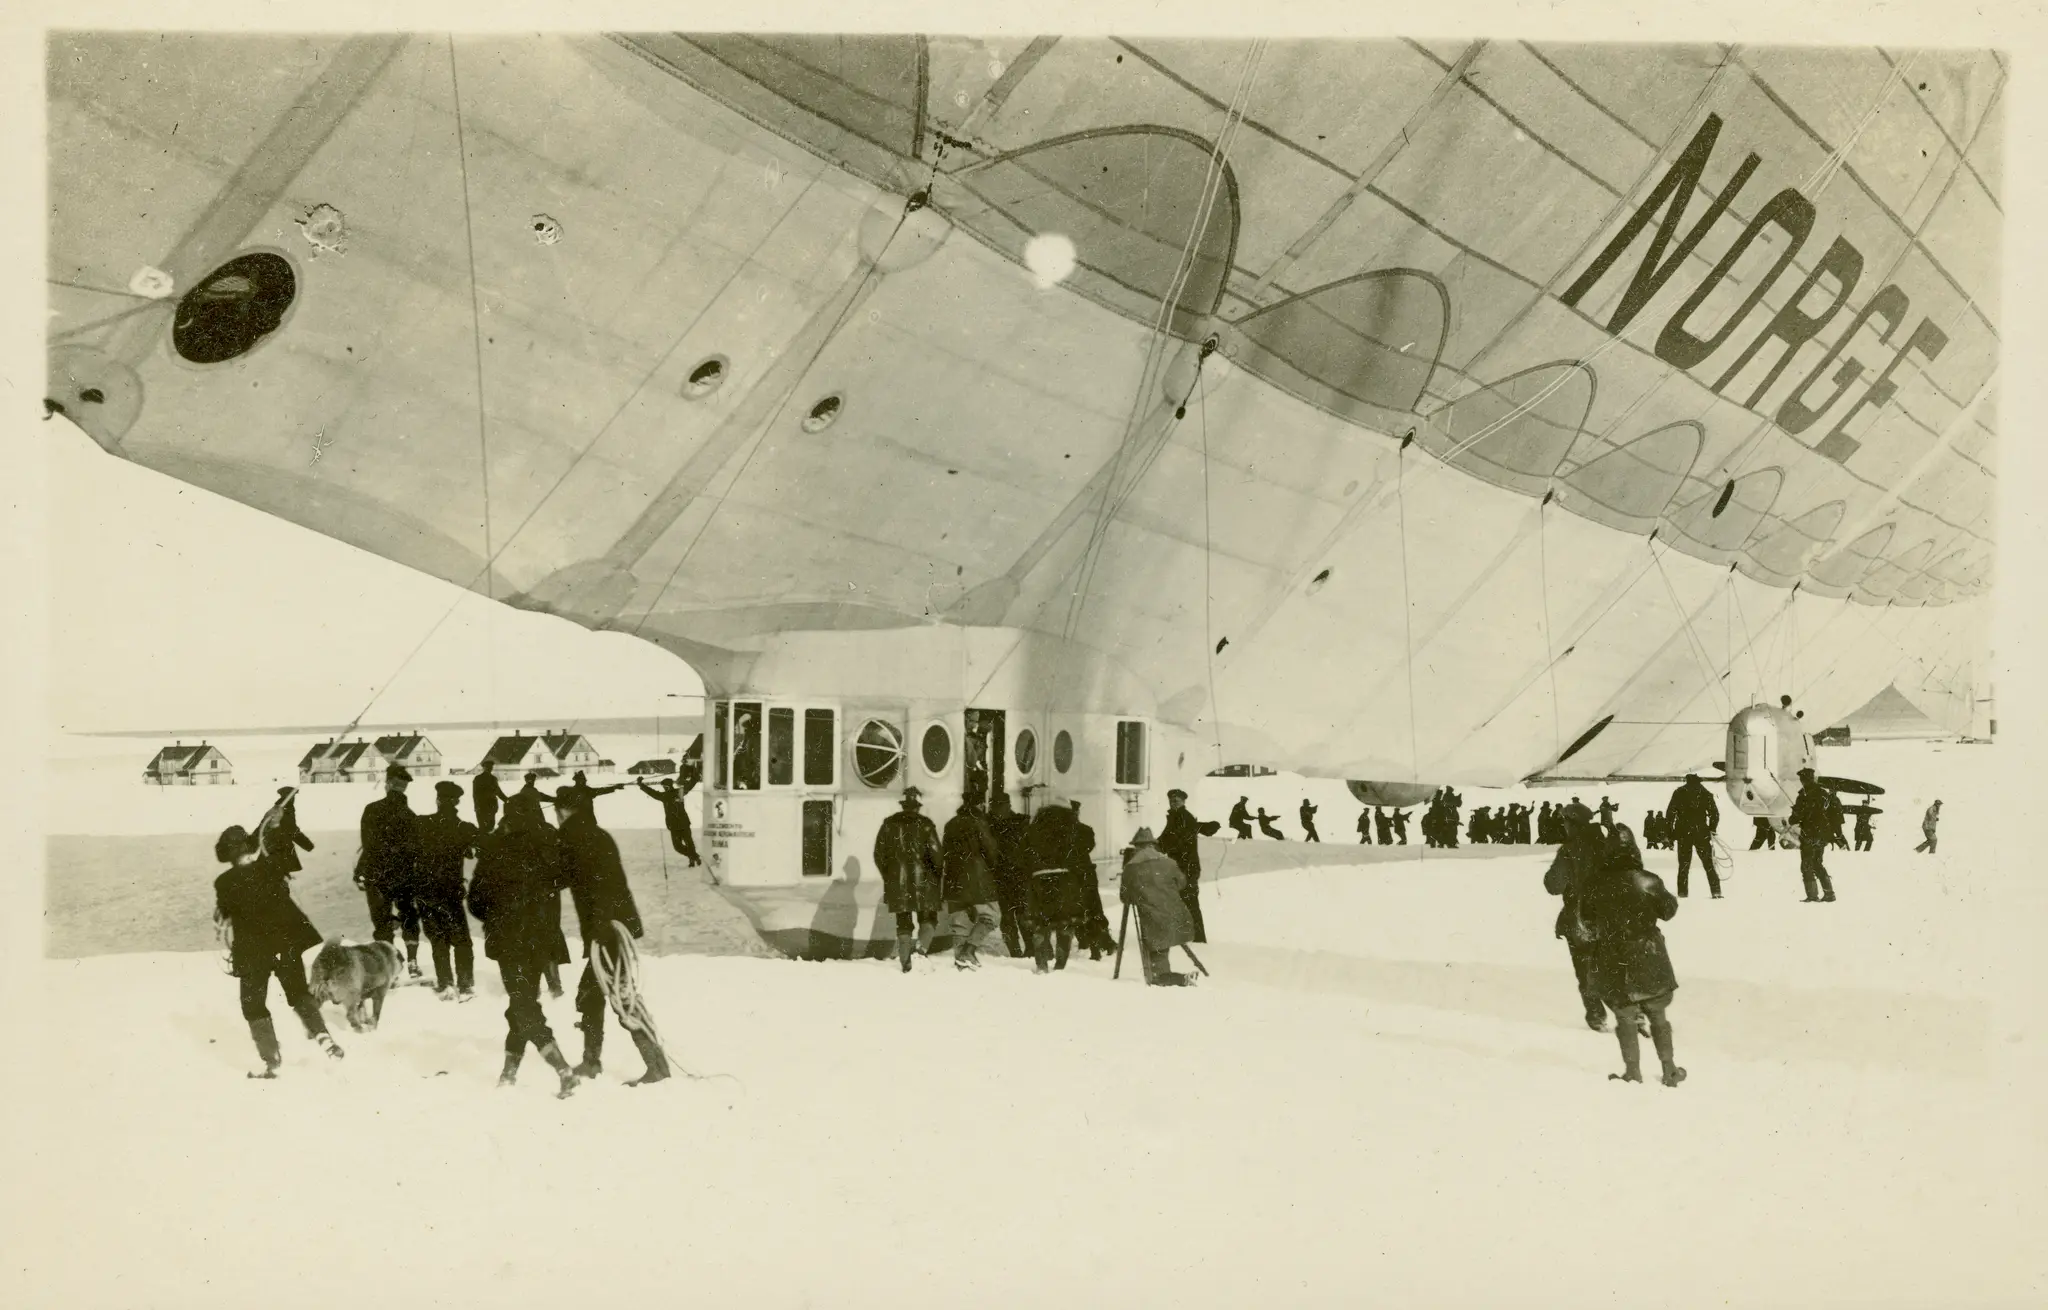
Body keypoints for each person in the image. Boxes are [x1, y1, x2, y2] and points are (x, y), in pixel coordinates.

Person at [214, 816, 344, 1077]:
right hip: (285, 946)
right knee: (298, 995)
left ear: (228, 855)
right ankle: (322, 1035)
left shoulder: (224, 882)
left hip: (252, 953)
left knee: (253, 1006)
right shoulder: (270, 867)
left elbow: (225, 914)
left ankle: (271, 1059)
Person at [467, 796, 579, 1097]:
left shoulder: (494, 849)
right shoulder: (550, 846)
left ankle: (563, 1070)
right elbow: (569, 876)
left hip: (509, 941)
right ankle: (508, 1073)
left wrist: (496, 912)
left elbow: (475, 901)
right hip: (542, 940)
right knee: (522, 1003)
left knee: (523, 1006)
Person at [559, 805, 668, 1085]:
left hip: (607, 931)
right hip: (614, 926)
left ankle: (656, 1067)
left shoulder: (575, 838)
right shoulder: (598, 834)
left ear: (562, 812)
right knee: (592, 996)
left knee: (620, 998)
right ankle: (593, 1061)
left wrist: (601, 929)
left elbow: (584, 882)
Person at [1580, 825, 1684, 1086]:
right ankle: (1669, 1069)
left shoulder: (1594, 883)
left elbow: (1586, 920)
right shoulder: (1649, 880)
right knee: (1658, 1015)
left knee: (1624, 1016)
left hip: (1612, 956)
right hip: (1649, 955)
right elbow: (1669, 910)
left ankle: (1633, 1072)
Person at [1543, 802, 1612, 1032]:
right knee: (1613, 966)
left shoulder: (1569, 849)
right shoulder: (1606, 845)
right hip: (1610, 917)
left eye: (1565, 821)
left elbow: (1553, 885)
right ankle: (1634, 1012)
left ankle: (1596, 1015)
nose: (1563, 825)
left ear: (1572, 823)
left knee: (1586, 969)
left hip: (1579, 918)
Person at [356, 764, 423, 978]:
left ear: (387, 784)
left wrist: (360, 869)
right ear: (403, 788)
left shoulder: (372, 810)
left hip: (378, 875)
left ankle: (391, 964)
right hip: (405, 876)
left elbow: (368, 845)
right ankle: (412, 961)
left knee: (382, 921)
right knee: (409, 916)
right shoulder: (412, 816)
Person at [414, 781, 479, 1000]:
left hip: (425, 891)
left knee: (438, 940)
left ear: (438, 800)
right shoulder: (464, 828)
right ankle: (466, 986)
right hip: (451, 892)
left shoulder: (422, 823)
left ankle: (445, 984)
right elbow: (481, 847)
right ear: (457, 802)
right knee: (461, 940)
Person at [873, 786, 943, 972]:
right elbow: (936, 855)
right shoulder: (927, 824)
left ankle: (905, 963)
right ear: (918, 806)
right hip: (925, 882)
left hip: (898, 883)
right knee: (928, 918)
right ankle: (920, 950)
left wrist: (890, 876)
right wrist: (937, 876)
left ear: (903, 805)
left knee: (903, 923)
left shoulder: (888, 824)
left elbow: (879, 855)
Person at [1119, 828, 1197, 987]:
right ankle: (1170, 975)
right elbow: (1182, 883)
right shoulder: (1169, 862)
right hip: (1177, 915)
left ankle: (1172, 978)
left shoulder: (1131, 867)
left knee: (1157, 951)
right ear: (1153, 845)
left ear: (1136, 847)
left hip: (1152, 918)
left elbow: (1125, 897)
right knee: (1164, 941)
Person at [941, 795, 1004, 970]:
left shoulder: (950, 824)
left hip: (953, 879)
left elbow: (945, 850)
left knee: (959, 923)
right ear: (980, 804)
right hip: (977, 879)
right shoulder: (979, 822)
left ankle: (961, 962)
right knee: (992, 916)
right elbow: (990, 850)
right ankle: (968, 951)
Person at [1017, 802, 1082, 973]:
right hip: (1064, 882)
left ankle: (1041, 965)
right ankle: (1060, 965)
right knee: (1065, 925)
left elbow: (1023, 858)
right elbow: (1077, 857)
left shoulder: (1032, 833)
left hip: (1038, 881)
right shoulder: (1069, 831)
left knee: (1040, 925)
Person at [1158, 788, 1221, 943]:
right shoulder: (1175, 817)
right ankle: (1189, 936)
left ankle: (1198, 939)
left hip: (1187, 868)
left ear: (1183, 802)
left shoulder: (1184, 818)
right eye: (1171, 801)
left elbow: (1175, 841)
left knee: (1190, 902)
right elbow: (1167, 838)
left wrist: (1157, 846)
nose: (1173, 803)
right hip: (1180, 867)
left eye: (1177, 801)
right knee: (1182, 902)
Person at [1069, 802, 1116, 959]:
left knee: (1092, 910)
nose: (1073, 815)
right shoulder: (1081, 830)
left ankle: (1105, 944)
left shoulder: (1083, 830)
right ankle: (1086, 942)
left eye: (1074, 812)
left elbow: (1087, 847)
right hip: (1078, 876)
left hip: (1083, 876)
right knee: (1081, 910)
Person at [988, 791, 1032, 958]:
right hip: (1001, 877)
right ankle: (1015, 951)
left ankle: (1030, 948)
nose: (996, 811)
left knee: (1021, 914)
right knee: (1007, 917)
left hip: (1019, 876)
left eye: (998, 807)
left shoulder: (1021, 822)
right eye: (994, 807)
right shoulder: (991, 824)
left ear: (1007, 806)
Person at [1666, 773, 1721, 899]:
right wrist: (1711, 829)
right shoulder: (1705, 793)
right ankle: (1716, 891)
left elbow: (1670, 814)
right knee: (1708, 864)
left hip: (1683, 832)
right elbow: (1715, 814)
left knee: (1684, 865)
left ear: (1687, 780)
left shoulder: (1679, 792)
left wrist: (1670, 834)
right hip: (1701, 832)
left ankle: (1682, 892)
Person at [1789, 768, 1836, 903]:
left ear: (1803, 780)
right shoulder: (1823, 793)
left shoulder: (1804, 795)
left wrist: (1794, 815)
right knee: (1817, 863)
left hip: (1809, 834)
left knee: (1807, 865)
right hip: (1822, 835)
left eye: (1802, 779)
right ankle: (1829, 893)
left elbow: (1796, 818)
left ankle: (1812, 895)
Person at [637, 774, 702, 867]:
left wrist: (695, 778)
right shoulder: (665, 795)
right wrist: (641, 785)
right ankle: (694, 856)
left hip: (683, 824)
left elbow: (689, 786)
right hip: (674, 825)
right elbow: (651, 792)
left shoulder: (678, 793)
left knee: (689, 843)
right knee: (678, 847)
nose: (664, 788)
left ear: (669, 786)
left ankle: (692, 858)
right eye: (663, 787)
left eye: (665, 786)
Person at [263, 786, 315, 875]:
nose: (294, 799)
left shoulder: (275, 809)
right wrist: (307, 845)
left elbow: (261, 827)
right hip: (280, 848)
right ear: (288, 797)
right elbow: (292, 830)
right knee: (280, 878)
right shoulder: (285, 810)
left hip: (270, 848)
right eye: (293, 797)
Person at [555, 769, 626, 823]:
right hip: (587, 820)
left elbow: (601, 790)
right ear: (578, 781)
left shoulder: (574, 791)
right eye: (583, 781)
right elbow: (601, 791)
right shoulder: (586, 791)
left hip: (578, 820)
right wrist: (614, 787)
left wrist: (614, 787)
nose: (585, 782)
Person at [472, 759, 506, 834]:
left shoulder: (493, 779)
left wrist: (507, 800)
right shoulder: (478, 779)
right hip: (482, 807)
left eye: (491, 767)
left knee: (489, 827)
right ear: (483, 767)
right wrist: (477, 806)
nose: (490, 768)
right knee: (484, 828)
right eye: (487, 767)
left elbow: (498, 792)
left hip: (490, 807)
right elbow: (475, 794)